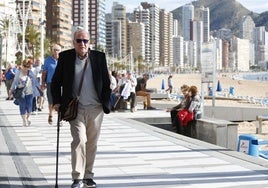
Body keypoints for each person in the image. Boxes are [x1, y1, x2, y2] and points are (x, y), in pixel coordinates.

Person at [51, 28, 111, 188]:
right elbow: (56, 82)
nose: (82, 44)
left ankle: (88, 176)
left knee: (92, 143)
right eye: (79, 40)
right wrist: (56, 102)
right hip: (75, 108)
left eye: (85, 41)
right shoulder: (66, 57)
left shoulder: (99, 57)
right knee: (79, 139)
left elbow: (106, 83)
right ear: (74, 42)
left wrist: (106, 102)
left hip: (96, 108)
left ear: (89, 43)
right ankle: (77, 177)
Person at [9, 59, 40, 126]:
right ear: (23, 65)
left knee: (29, 107)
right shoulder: (18, 72)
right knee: (22, 106)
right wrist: (11, 90)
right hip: (21, 92)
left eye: (28, 67)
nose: (27, 68)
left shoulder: (30, 72)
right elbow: (15, 81)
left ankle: (27, 118)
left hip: (30, 92)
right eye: (26, 67)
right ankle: (23, 120)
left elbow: (35, 81)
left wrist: (39, 88)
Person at [41, 44, 61, 124]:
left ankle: (59, 119)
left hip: (61, 84)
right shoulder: (47, 60)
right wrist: (43, 83)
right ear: (52, 51)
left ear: (60, 51)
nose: (56, 51)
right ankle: (51, 115)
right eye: (55, 49)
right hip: (50, 83)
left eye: (58, 50)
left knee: (60, 102)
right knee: (51, 101)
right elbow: (44, 72)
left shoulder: (63, 59)